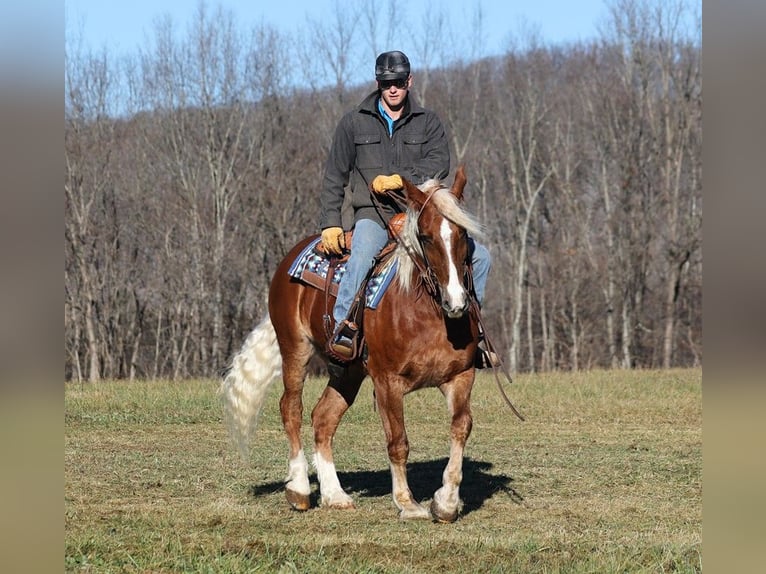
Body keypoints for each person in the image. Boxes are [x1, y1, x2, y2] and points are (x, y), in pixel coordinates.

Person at [319, 50, 494, 366]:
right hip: (373, 212)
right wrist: (330, 222)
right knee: (361, 256)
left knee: (481, 257)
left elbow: (439, 162)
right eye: (387, 83)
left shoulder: (428, 122)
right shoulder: (353, 123)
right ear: (378, 83)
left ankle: (473, 331)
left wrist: (401, 180)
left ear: (409, 81)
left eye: (399, 81)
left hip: (419, 213)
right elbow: (335, 174)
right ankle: (342, 327)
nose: (393, 88)